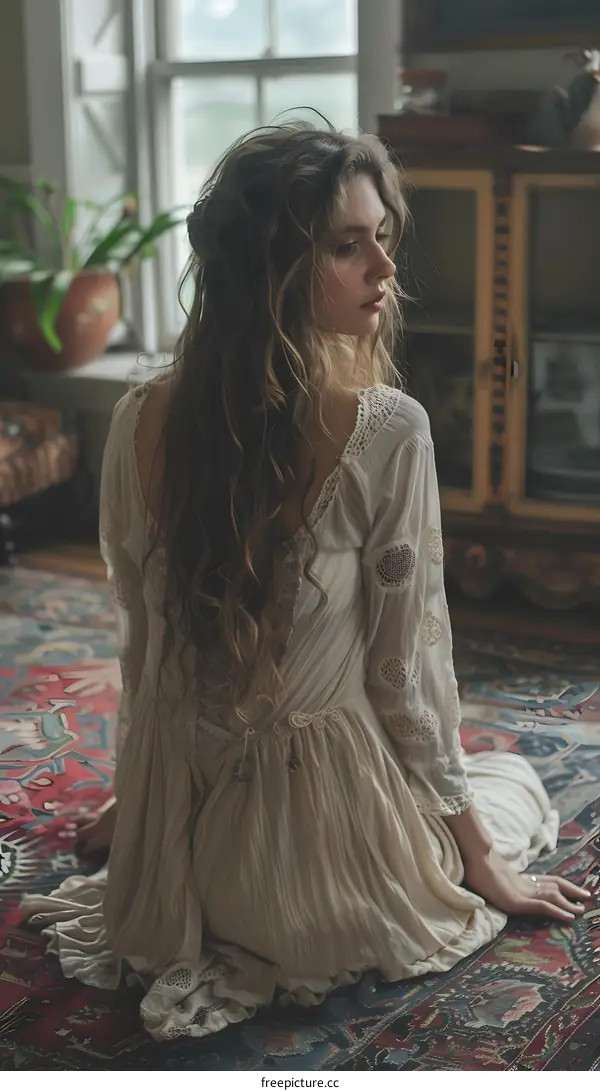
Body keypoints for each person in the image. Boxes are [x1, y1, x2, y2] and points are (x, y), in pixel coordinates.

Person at [21, 123, 591, 1041]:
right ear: (273, 270)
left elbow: (147, 642)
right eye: (346, 245)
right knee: (513, 780)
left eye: (383, 237)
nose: (384, 267)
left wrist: (146, 803)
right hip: (317, 873)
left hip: (179, 867)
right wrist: (478, 856)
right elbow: (404, 677)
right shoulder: (388, 429)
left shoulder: (136, 416)